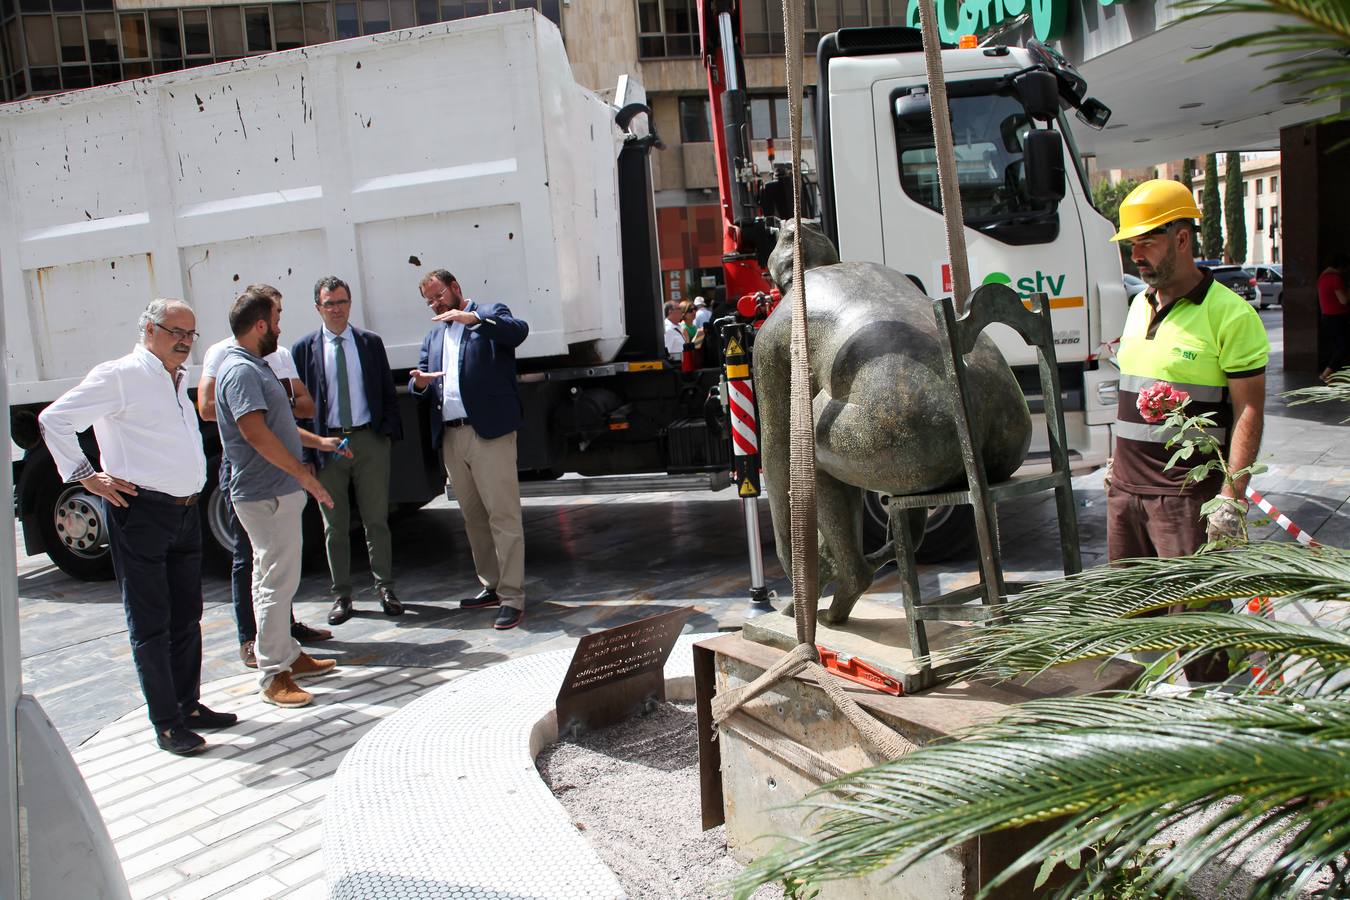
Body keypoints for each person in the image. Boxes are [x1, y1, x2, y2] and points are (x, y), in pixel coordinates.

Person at [39, 299, 237, 756]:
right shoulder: (122, 374)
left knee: (187, 615)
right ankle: (166, 724)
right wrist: (87, 476)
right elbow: (54, 420)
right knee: (151, 623)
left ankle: (188, 705)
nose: (185, 342)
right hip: (141, 511)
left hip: (184, 513)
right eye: (175, 332)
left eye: (191, 335)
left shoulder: (176, 378)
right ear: (149, 329)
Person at [1107, 179, 1269, 682]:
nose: (1137, 254)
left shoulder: (1230, 314)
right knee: (1132, 632)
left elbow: (1249, 412)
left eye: (1147, 240)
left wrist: (1231, 497)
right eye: (1131, 244)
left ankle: (1210, 729)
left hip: (1185, 501)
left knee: (1199, 637)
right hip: (1126, 495)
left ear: (1182, 238)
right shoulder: (1139, 305)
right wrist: (1116, 470)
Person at [216, 289, 342, 708]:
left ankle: (287, 653)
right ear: (259, 325)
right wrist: (304, 475)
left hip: (274, 492)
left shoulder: (254, 366)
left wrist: (318, 442)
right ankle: (274, 674)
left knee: (275, 580)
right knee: (274, 583)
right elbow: (255, 433)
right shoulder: (241, 371)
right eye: (277, 316)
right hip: (265, 494)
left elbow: (280, 425)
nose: (281, 324)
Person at [410, 269, 530, 630]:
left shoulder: (491, 314)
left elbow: (518, 331)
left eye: (438, 295)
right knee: (473, 518)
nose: (435, 303)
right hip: (452, 436)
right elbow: (424, 377)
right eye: (429, 300)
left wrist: (474, 319)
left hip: (488, 435)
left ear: (455, 287)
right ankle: (491, 585)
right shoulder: (433, 336)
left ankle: (513, 596)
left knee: (503, 516)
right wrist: (418, 384)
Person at [291, 276, 404, 626]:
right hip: (327, 445)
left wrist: (385, 435)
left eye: (342, 302)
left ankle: (385, 587)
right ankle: (342, 594)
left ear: (350, 304)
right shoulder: (304, 349)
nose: (337, 309)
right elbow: (298, 407)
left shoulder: (369, 344)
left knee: (376, 519)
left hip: (368, 439)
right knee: (334, 525)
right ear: (317, 308)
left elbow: (386, 390)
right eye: (330, 304)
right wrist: (308, 455)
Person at [1317, 252, 1349, 383]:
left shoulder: (1323, 277)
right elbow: (1344, 300)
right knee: (1343, 347)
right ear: (1341, 266)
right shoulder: (1335, 279)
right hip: (1338, 318)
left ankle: (1331, 375)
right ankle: (1326, 374)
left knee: (1337, 347)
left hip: (1327, 317)